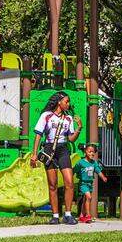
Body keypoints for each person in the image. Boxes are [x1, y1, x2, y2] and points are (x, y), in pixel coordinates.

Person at [30, 92, 80, 225]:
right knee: (53, 184)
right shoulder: (46, 116)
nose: (68, 104)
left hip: (63, 150)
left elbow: (71, 139)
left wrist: (79, 128)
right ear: (59, 102)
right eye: (66, 101)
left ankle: (68, 214)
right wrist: (34, 154)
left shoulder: (68, 118)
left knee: (69, 182)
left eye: (68, 102)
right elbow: (38, 135)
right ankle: (55, 216)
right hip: (49, 149)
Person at [74, 143, 107, 224]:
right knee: (89, 197)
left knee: (86, 199)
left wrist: (103, 177)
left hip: (90, 184)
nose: (92, 153)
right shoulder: (81, 162)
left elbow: (98, 171)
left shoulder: (94, 163)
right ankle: (88, 215)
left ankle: (82, 216)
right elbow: (74, 170)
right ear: (85, 152)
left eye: (93, 152)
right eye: (90, 151)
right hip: (83, 184)